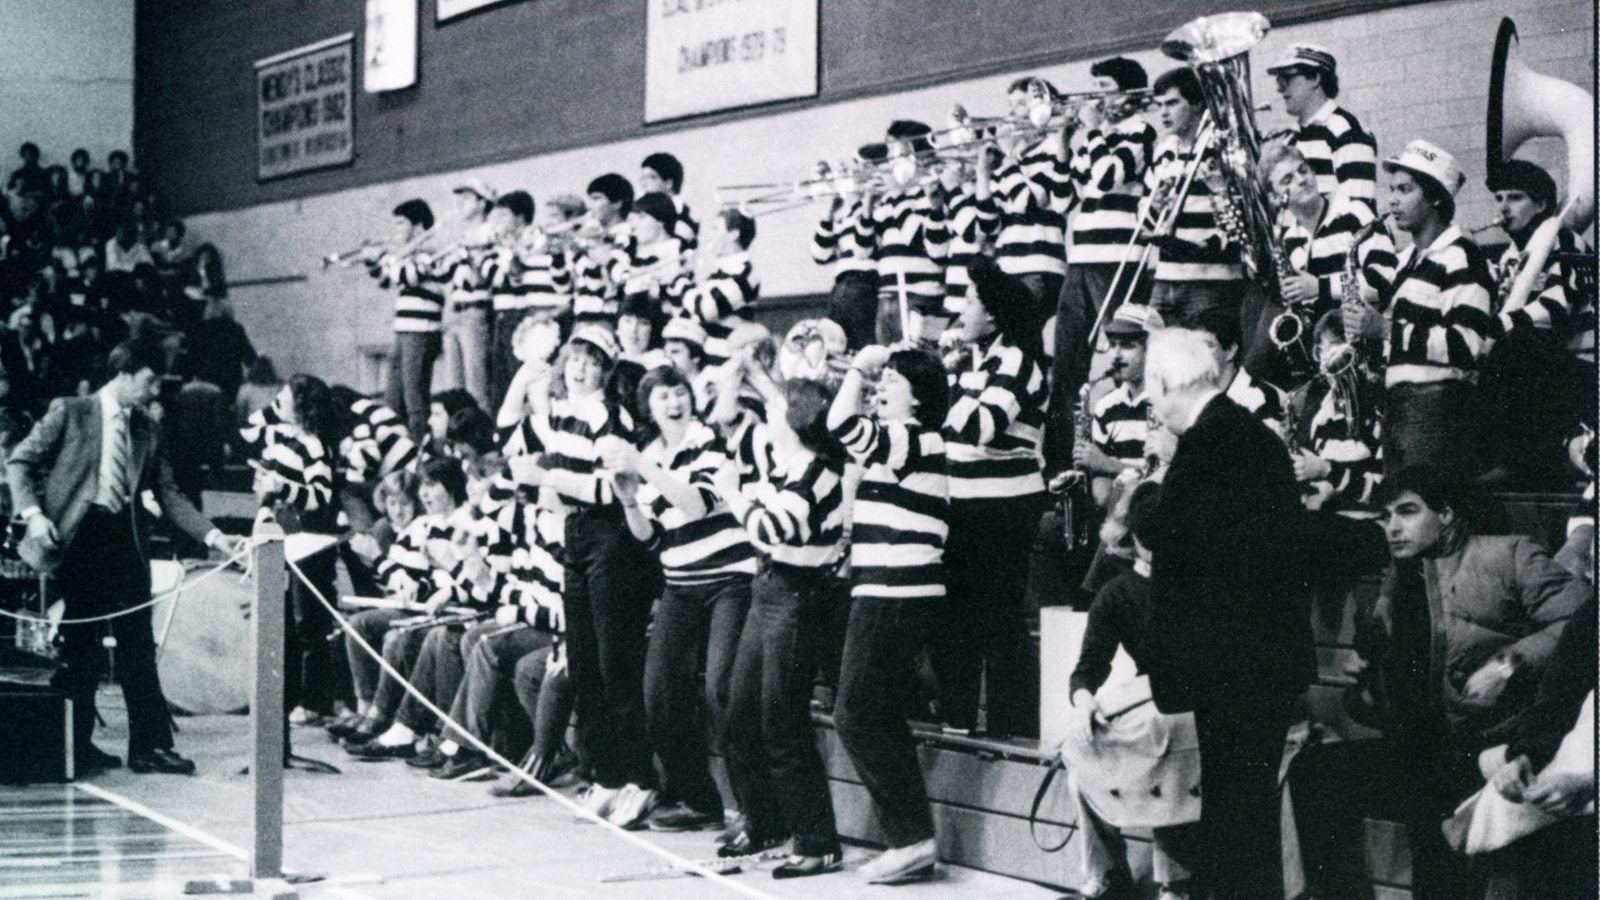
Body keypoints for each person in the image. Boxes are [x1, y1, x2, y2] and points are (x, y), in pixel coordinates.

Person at [1291, 466, 1587, 899]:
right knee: (1315, 772)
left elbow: (1585, 621)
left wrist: (1509, 663)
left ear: (1446, 514)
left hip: (1488, 747)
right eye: (1387, 516)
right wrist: (1367, 677)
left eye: (1408, 512)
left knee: (1430, 810)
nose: (1393, 528)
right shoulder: (1399, 578)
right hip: (1421, 746)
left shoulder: (1508, 556)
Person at [7, 339, 247, 774]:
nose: (155, 391)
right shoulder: (71, 410)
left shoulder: (147, 430)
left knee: (138, 646)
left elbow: (168, 495)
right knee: (83, 648)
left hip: (124, 541)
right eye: (149, 380)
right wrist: (34, 515)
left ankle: (150, 748)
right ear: (123, 373)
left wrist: (214, 537)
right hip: (78, 542)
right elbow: (20, 462)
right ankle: (75, 746)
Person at [1138, 326, 1320, 899]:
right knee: (1243, 816)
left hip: (1231, 667)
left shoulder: (1205, 447)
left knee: (1232, 821)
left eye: (1150, 388)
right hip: (1259, 661)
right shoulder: (1251, 435)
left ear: (1166, 383)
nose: (1147, 401)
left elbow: (1174, 554)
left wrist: (1156, 477)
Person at [510, 326, 662, 827]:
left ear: (605, 370)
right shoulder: (557, 413)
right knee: (584, 664)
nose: (579, 368)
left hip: (611, 539)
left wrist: (547, 477)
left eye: (592, 361)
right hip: (575, 535)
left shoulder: (608, 415)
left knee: (615, 664)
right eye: (574, 357)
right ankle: (608, 774)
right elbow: (508, 440)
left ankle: (639, 779)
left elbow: (608, 489)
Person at [601, 365, 756, 832]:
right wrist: (629, 499)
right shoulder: (649, 454)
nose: (674, 402)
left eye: (680, 393)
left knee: (722, 690)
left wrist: (645, 468)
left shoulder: (709, 440)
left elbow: (696, 503)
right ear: (648, 408)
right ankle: (698, 801)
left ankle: (754, 810)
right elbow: (649, 538)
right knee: (659, 694)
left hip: (732, 577)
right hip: (681, 583)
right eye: (663, 396)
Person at [826, 344, 951, 884]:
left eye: (892, 381)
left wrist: (858, 367)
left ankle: (911, 838)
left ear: (919, 397)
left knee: (855, 712)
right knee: (872, 712)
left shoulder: (914, 436)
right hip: (885, 590)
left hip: (895, 591)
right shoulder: (903, 443)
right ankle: (911, 838)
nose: (880, 387)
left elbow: (838, 422)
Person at [712, 377, 846, 878]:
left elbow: (770, 529)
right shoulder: (785, 463)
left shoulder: (816, 473)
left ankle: (818, 841)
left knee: (783, 721)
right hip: (768, 586)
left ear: (794, 421)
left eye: (773, 409)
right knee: (736, 704)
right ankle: (764, 820)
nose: (764, 416)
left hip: (797, 595)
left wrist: (731, 492)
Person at [1063, 480, 1198, 900]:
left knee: (1167, 740)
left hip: (1197, 703)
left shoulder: (1207, 581)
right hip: (1151, 701)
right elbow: (1087, 670)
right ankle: (1107, 873)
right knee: (1079, 745)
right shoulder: (1117, 592)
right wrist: (1084, 703)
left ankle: (1176, 882)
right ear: (1135, 538)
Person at [934, 257, 1048, 738]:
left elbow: (981, 429)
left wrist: (943, 384)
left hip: (1004, 508)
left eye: (970, 300)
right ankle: (958, 718)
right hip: (964, 502)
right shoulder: (978, 363)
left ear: (994, 316)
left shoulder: (1019, 362)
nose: (961, 309)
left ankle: (1012, 726)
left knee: (999, 619)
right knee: (957, 615)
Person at [1050, 56, 1157, 470]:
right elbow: (1064, 199)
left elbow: (1109, 174)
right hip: (1081, 260)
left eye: (1105, 87)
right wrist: (1064, 143)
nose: (1096, 95)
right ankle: (1065, 463)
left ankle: (1116, 455)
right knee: (1067, 366)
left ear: (1128, 93)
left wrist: (1094, 130)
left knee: (1116, 360)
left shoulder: (1140, 131)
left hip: (1117, 261)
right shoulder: (1099, 138)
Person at [1479, 159, 1597, 489]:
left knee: (1519, 343)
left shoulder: (1565, 241)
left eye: (1515, 198)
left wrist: (1496, 326)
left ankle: (1520, 461)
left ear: (1542, 204)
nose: (1503, 207)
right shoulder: (1510, 257)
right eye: (1499, 198)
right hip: (1546, 370)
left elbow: (1556, 307)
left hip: (1582, 369)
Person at [1380, 140, 1495, 479]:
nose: (1392, 200)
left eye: (1405, 189)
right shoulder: (1405, 262)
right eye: (1391, 189)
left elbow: (1465, 345)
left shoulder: (1461, 256)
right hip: (1398, 407)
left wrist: (1387, 331)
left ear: (1434, 197)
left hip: (1436, 408)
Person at [1143, 67, 1246, 325]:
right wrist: (1155, 205)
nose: (1164, 113)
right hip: (1166, 276)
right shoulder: (1164, 151)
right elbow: (1145, 219)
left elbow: (1242, 222)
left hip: (1212, 280)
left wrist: (1219, 188)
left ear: (1198, 103)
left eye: (1172, 103)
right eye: (1159, 106)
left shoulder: (1224, 148)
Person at [860, 121, 950, 345]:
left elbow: (915, 238)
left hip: (921, 297)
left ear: (916, 154)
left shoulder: (928, 190)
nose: (889, 159)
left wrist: (897, 193)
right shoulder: (891, 197)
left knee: (919, 362)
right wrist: (867, 205)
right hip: (887, 295)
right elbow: (863, 250)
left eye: (895, 151)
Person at [368, 198, 445, 442]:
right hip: (404, 331)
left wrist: (388, 258)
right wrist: (373, 259)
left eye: (402, 223)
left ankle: (418, 444)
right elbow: (382, 279)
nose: (396, 230)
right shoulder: (408, 254)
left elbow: (409, 275)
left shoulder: (430, 251)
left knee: (415, 394)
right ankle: (395, 442)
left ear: (418, 225)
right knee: (393, 393)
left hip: (421, 331)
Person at [1266, 44, 1378, 209]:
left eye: (1286, 78)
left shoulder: (1347, 131)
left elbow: (1360, 213)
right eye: (1279, 80)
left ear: (1315, 78)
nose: (1279, 88)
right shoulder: (1290, 139)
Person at [812, 145, 885, 350]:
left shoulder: (878, 206)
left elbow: (864, 248)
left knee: (862, 350)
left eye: (857, 165)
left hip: (864, 285)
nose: (851, 172)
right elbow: (820, 254)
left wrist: (863, 201)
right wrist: (830, 211)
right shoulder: (846, 210)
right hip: (841, 288)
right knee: (835, 352)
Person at [435, 179, 497, 410]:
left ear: (482, 203)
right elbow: (447, 276)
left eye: (467, 198)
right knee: (454, 387)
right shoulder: (463, 236)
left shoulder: (489, 232)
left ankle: (481, 437)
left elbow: (481, 276)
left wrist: (468, 253)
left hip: (475, 312)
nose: (460, 204)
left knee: (476, 386)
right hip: (455, 311)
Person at [639, 152, 699, 250]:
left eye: (652, 177)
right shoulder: (640, 210)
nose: (644, 184)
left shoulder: (686, 216)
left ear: (668, 183)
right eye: (642, 178)